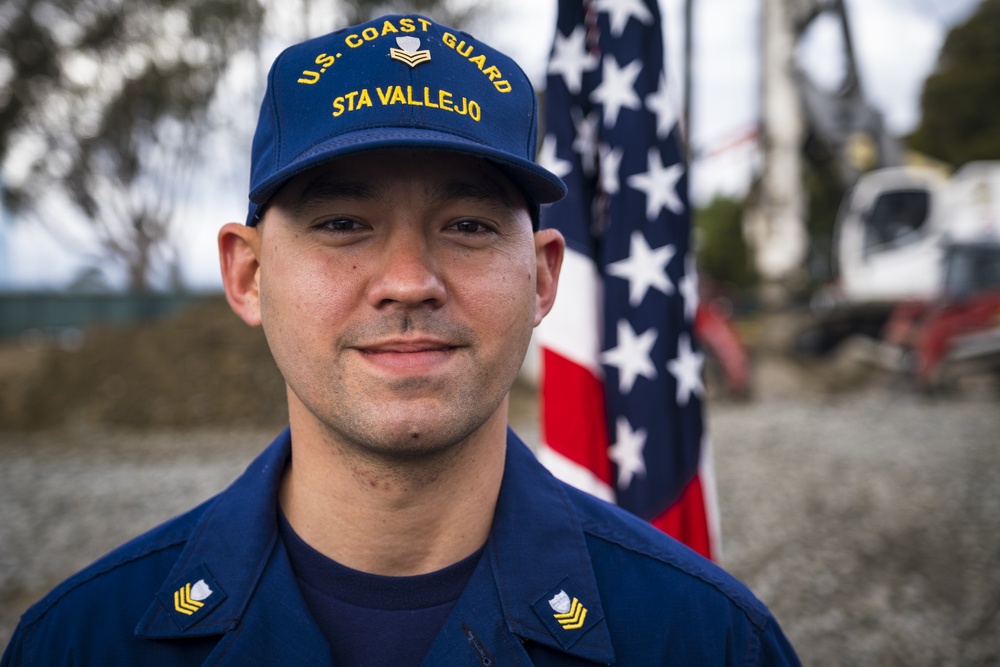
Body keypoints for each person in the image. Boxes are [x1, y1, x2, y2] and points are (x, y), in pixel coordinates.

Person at [2, 14, 800, 666]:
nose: (410, 278)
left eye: (468, 225)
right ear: (247, 276)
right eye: (344, 223)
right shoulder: (82, 643)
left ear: (544, 279)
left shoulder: (706, 639)